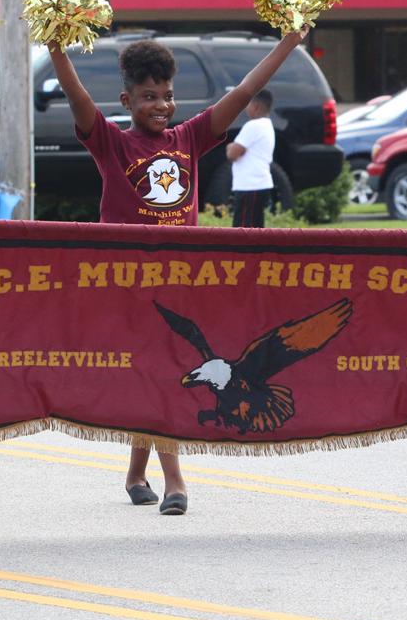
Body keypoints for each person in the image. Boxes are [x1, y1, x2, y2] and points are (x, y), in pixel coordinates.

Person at [46, 26, 311, 515]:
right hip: (129, 286)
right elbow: (76, 94)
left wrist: (289, 43)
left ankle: (134, 472)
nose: (161, 105)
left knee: (160, 371)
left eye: (167, 96)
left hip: (183, 285)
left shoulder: (189, 138)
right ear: (127, 100)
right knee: (164, 370)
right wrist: (56, 45)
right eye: (149, 97)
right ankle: (176, 480)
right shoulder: (110, 143)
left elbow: (244, 91)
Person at [226, 89, 275, 228]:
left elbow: (232, 154)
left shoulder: (253, 126)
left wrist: (230, 146)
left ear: (256, 106)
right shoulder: (267, 125)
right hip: (259, 184)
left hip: (250, 186)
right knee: (256, 229)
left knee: (242, 231)